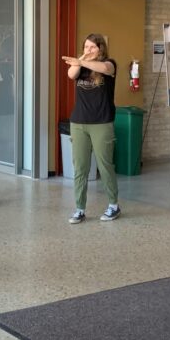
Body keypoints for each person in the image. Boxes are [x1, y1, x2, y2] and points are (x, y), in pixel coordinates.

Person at [62, 34, 121, 224]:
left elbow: (104, 68)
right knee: (80, 167)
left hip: (102, 122)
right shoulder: (80, 66)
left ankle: (113, 205)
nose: (88, 50)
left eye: (92, 48)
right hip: (79, 122)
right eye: (86, 47)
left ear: (101, 49)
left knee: (105, 165)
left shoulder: (109, 64)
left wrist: (83, 61)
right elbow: (71, 74)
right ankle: (79, 208)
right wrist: (79, 61)